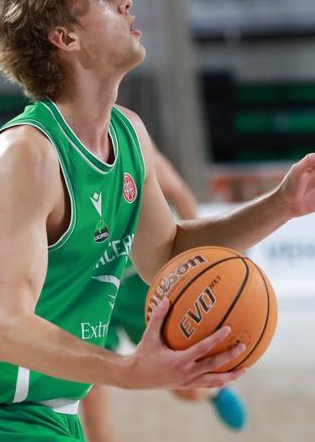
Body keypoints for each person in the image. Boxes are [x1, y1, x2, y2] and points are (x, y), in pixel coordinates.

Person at [0, 0, 315, 440]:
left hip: (56, 417)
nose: (125, 2)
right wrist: (129, 370)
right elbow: (8, 329)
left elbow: (165, 254)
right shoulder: (25, 156)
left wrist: (284, 203)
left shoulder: (129, 133)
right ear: (65, 38)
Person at [80, 148, 247, 442]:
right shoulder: (49, 157)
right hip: (87, 298)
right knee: (94, 416)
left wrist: (203, 261)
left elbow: (179, 192)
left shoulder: (123, 141)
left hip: (143, 288)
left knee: (190, 390)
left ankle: (214, 392)